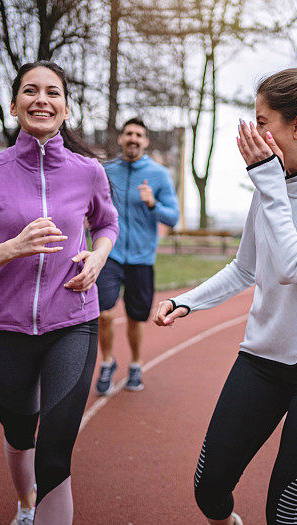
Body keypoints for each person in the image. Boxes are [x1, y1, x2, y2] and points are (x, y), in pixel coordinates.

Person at [154, 68, 297, 525]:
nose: (254, 132)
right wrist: (189, 300)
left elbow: (292, 264)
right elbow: (247, 266)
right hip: (263, 361)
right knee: (208, 491)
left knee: (285, 514)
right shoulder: (270, 182)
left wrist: (268, 181)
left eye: (263, 121)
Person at [0, 60, 118, 525]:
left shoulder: (87, 172)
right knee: (21, 436)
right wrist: (11, 249)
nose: (42, 99)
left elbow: (106, 223)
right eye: (30, 91)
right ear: (15, 103)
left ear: (65, 107)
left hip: (73, 323)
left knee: (55, 453)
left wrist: (98, 256)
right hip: (7, 331)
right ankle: (26, 504)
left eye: (53, 92)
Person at [94, 117, 179, 394]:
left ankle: (135, 364)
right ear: (121, 138)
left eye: (138, 135)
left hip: (142, 258)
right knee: (103, 312)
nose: (133, 138)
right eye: (128, 133)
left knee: (135, 317)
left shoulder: (159, 175)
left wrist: (152, 202)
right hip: (110, 253)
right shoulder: (106, 171)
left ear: (145, 141)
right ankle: (107, 362)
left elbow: (174, 217)